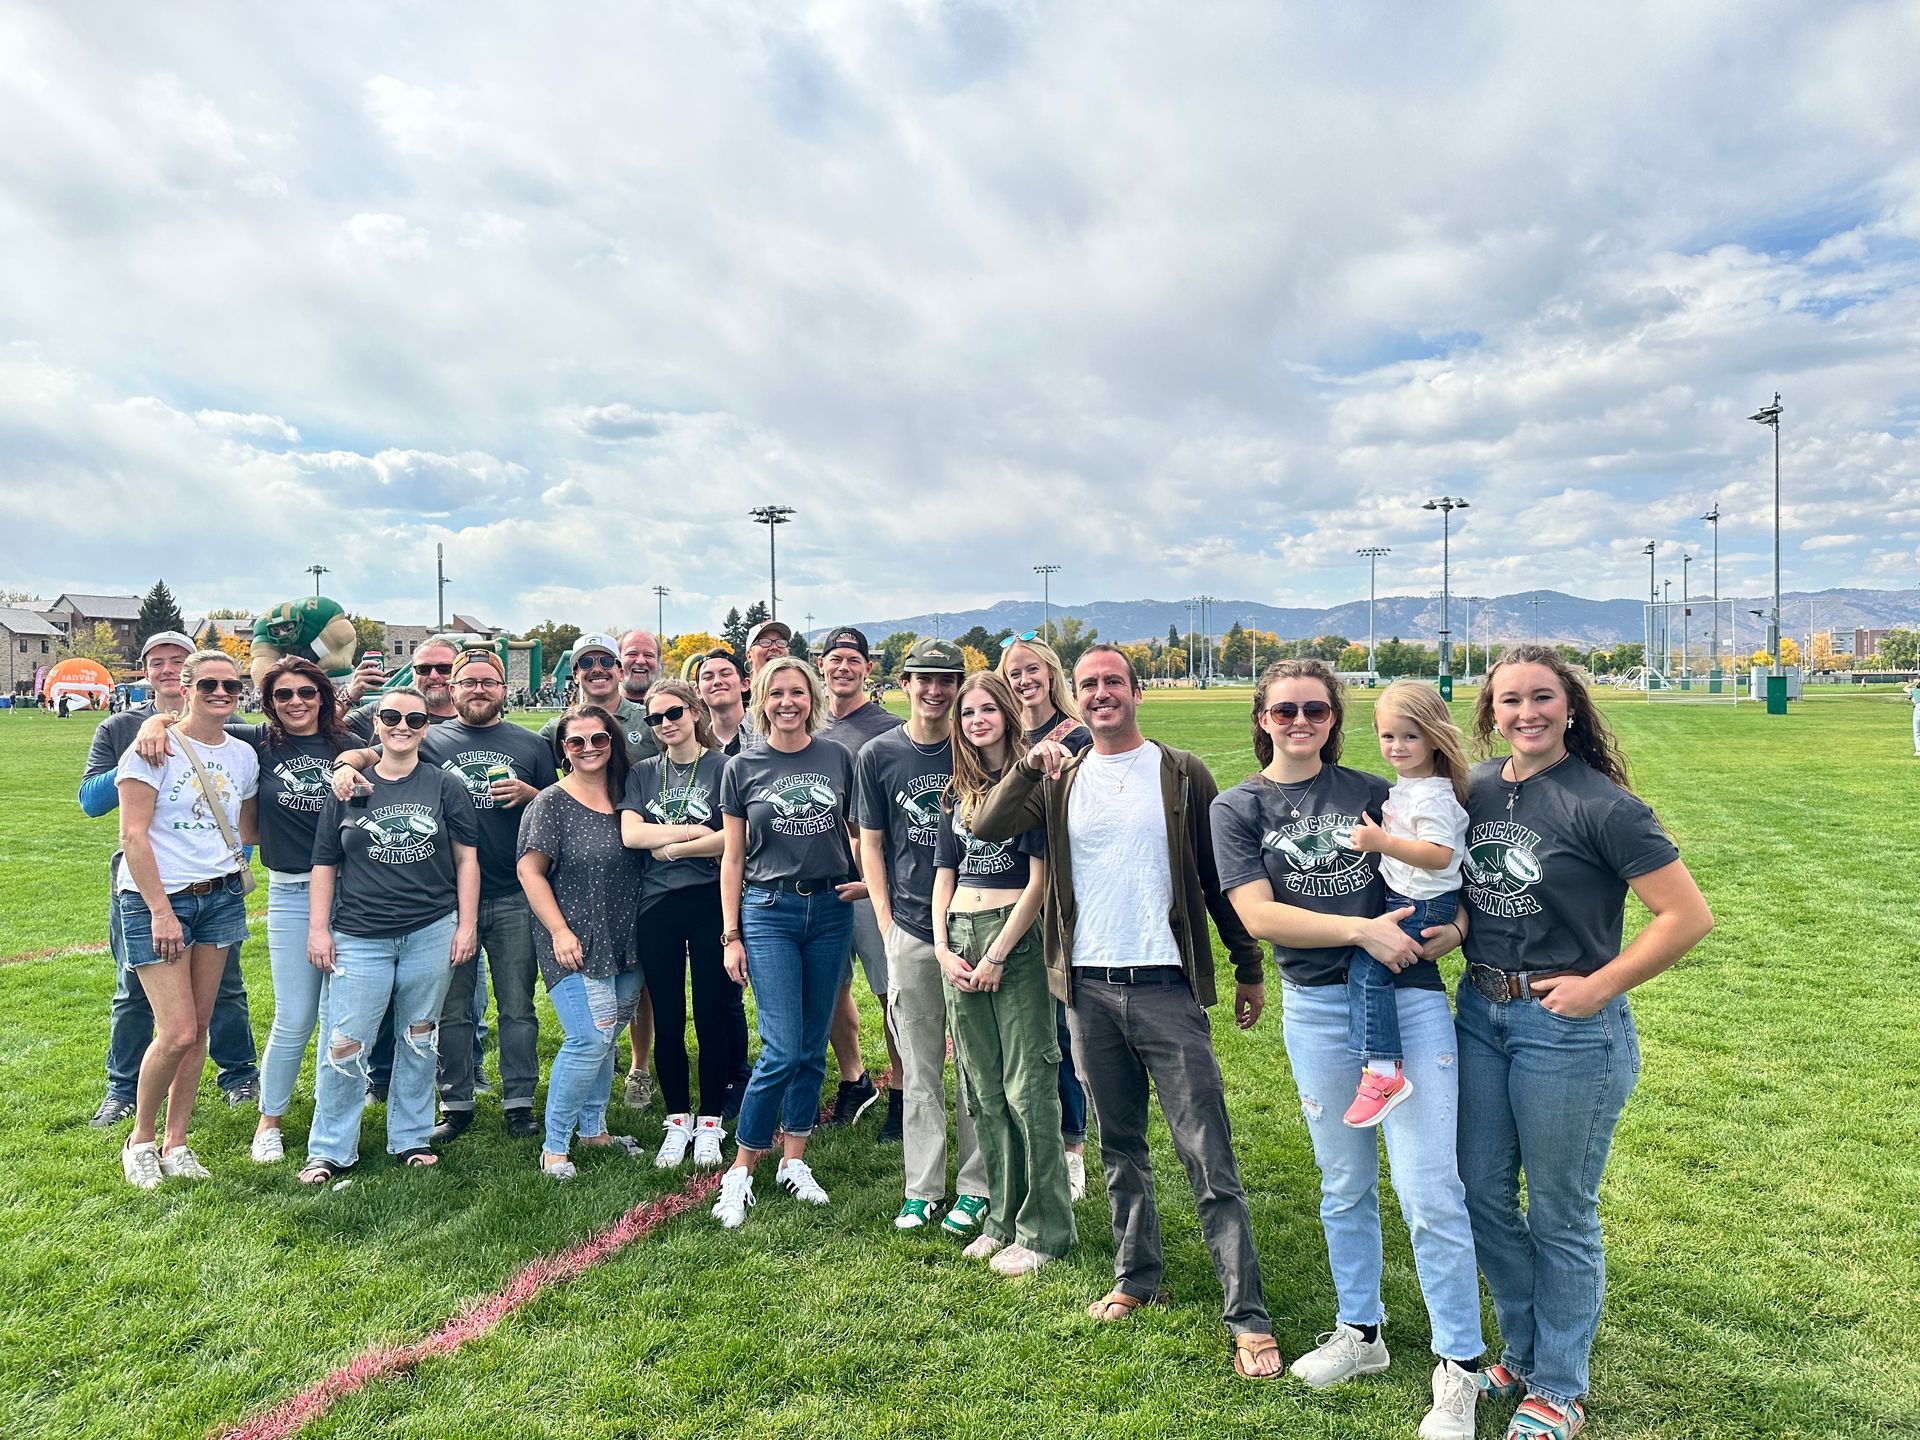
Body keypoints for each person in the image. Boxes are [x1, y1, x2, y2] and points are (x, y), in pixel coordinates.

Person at [974, 645, 1282, 1380]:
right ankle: (1135, 1276)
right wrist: (1030, 763)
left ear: (1138, 692)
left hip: (1166, 987)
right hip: (1087, 990)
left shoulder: (1180, 772)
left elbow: (1217, 879)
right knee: (1121, 1149)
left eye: (1115, 681)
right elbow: (987, 826)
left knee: (1207, 1152)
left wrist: (1245, 967)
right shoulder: (1060, 775)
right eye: (1089, 686)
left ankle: (1248, 1315)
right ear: (1073, 700)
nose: (1102, 693)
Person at [1213, 658, 1487, 1434]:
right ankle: (1360, 1332)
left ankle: (1458, 1364)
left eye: (1316, 710)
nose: (1300, 722)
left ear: (1335, 720)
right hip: (1317, 1009)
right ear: (1262, 718)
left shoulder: (1377, 789)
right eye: (1284, 710)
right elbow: (1260, 918)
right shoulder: (1239, 807)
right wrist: (1361, 929)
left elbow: (1445, 875)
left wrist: (1457, 932)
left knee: (1430, 1188)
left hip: (1407, 1002)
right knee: (1343, 1184)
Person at [1455, 645, 1712, 1440]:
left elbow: (1686, 917)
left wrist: (1599, 986)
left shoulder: (1604, 806)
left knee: (1560, 1210)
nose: (1525, 712)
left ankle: (1559, 1387)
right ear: (1489, 712)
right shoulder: (1471, 791)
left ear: (1570, 707)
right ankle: (1524, 1351)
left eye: (1541, 698)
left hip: (1565, 1029)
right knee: (1482, 1192)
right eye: (1509, 701)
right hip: (1479, 1012)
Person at [132, 657, 371, 1163]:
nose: (296, 703)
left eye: (307, 693)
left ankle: (333, 1120)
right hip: (289, 889)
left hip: (352, 890)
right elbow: (196, 720)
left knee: (342, 1020)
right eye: (284, 695)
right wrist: (157, 720)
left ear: (324, 697)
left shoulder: (347, 744)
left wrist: (356, 761)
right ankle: (269, 1122)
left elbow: (398, 742)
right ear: (268, 702)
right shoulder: (257, 742)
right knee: (294, 1017)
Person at [331, 646, 557, 1139]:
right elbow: (371, 751)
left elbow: (559, 811)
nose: (479, 689)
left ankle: (519, 1099)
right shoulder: (430, 737)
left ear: (504, 689)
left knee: (517, 1004)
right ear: (451, 692)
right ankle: (456, 1102)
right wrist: (345, 766)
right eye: (468, 682)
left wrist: (532, 796)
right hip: (450, 900)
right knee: (452, 1008)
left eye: (489, 682)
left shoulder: (532, 745)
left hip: (518, 893)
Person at [300, 688, 479, 1182]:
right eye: (392, 716)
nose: (403, 725)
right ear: (375, 723)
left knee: (420, 1036)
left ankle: (411, 1137)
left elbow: (467, 859)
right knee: (345, 1041)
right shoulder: (347, 788)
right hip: (360, 934)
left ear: (426, 726)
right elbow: (324, 863)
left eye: (414, 718)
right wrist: (319, 929)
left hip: (430, 930)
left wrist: (466, 925)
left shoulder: (446, 786)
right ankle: (331, 1148)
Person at [710, 657, 864, 1228]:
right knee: (780, 1044)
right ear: (762, 700)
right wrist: (731, 934)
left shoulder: (837, 758)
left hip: (829, 910)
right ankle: (742, 1168)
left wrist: (869, 880)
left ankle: (793, 1159)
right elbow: (731, 857)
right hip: (768, 909)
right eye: (776, 693)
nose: (787, 702)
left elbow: (857, 834)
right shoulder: (741, 766)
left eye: (797, 692)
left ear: (813, 698)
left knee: (810, 1040)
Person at [81, 631, 259, 1125]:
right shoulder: (125, 729)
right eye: (157, 662)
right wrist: (150, 733)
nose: (219, 692)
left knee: (221, 996)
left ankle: (236, 1078)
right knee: (136, 992)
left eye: (230, 684)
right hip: (151, 887)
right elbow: (95, 806)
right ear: (178, 683)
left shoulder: (238, 736)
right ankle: (123, 1094)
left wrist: (231, 863)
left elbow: (247, 810)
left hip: (218, 890)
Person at [933, 670, 1072, 1275]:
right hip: (958, 937)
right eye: (968, 713)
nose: (977, 720)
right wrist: (941, 946)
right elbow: (945, 874)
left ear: (1009, 716)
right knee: (981, 1089)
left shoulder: (1031, 784)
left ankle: (1045, 1228)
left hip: (1012, 939)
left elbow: (1039, 882)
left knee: (1027, 1087)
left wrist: (997, 954)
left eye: (989, 709)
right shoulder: (954, 793)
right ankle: (1002, 1217)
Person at [856, 636, 986, 1233]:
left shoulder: (978, 748)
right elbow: (872, 845)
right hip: (908, 924)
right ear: (904, 683)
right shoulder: (880, 754)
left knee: (978, 1062)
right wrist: (884, 921)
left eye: (947, 680)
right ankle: (922, 1186)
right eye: (924, 679)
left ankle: (977, 1185)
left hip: (974, 924)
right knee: (920, 1061)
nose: (935, 691)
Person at [518, 705, 648, 1179]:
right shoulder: (551, 802)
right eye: (577, 742)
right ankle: (554, 1147)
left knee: (608, 1037)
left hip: (628, 939)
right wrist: (559, 931)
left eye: (599, 739)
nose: (590, 748)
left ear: (613, 742)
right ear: (563, 750)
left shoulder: (629, 796)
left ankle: (594, 1129)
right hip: (574, 939)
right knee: (588, 1038)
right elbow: (529, 871)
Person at [619, 680, 745, 1165]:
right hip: (657, 905)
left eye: (673, 713)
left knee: (712, 1013)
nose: (665, 724)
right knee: (667, 1017)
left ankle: (710, 1120)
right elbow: (631, 833)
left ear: (694, 712)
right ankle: (677, 1119)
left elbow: (733, 839)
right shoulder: (644, 772)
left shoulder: (725, 767)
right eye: (654, 718)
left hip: (709, 900)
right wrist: (695, 830)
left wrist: (673, 846)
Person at [1339, 680, 1471, 1128]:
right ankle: (1376, 1066)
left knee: (1370, 970)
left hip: (1424, 903)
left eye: (1410, 736)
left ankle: (1382, 1071)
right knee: (1370, 969)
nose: (1397, 746)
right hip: (1407, 897)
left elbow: (1439, 854)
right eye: (1388, 736)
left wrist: (1381, 842)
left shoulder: (1433, 793)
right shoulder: (1409, 786)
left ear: (1435, 736)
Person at [998, 633, 1094, 1200]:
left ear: (1050, 673)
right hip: (1009, 884)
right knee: (1021, 1026)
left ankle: (1073, 1145)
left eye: (1031, 670)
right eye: (1013, 673)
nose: (1023, 680)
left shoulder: (1075, 734)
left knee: (1058, 1026)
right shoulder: (1008, 736)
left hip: (1061, 891)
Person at [815, 626, 902, 1140]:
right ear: (821, 666)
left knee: (893, 994)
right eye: (834, 658)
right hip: (820, 881)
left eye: (853, 659)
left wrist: (882, 880)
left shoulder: (889, 729)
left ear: (867, 668)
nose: (843, 667)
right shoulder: (804, 722)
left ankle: (901, 1092)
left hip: (877, 884)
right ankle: (854, 1080)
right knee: (830, 990)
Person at [696, 648, 758, 756]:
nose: (717, 681)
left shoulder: (770, 732)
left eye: (725, 674)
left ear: (744, 684)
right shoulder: (697, 746)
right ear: (698, 691)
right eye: (707, 677)